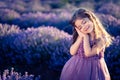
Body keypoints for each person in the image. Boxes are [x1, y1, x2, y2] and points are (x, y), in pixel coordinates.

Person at [60, 8, 113, 80]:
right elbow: (72, 52)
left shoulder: (101, 39)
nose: (84, 27)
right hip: (75, 67)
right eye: (80, 27)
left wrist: (85, 37)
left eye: (84, 22)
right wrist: (80, 37)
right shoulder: (81, 36)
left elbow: (88, 53)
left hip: (94, 70)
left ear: (91, 18)